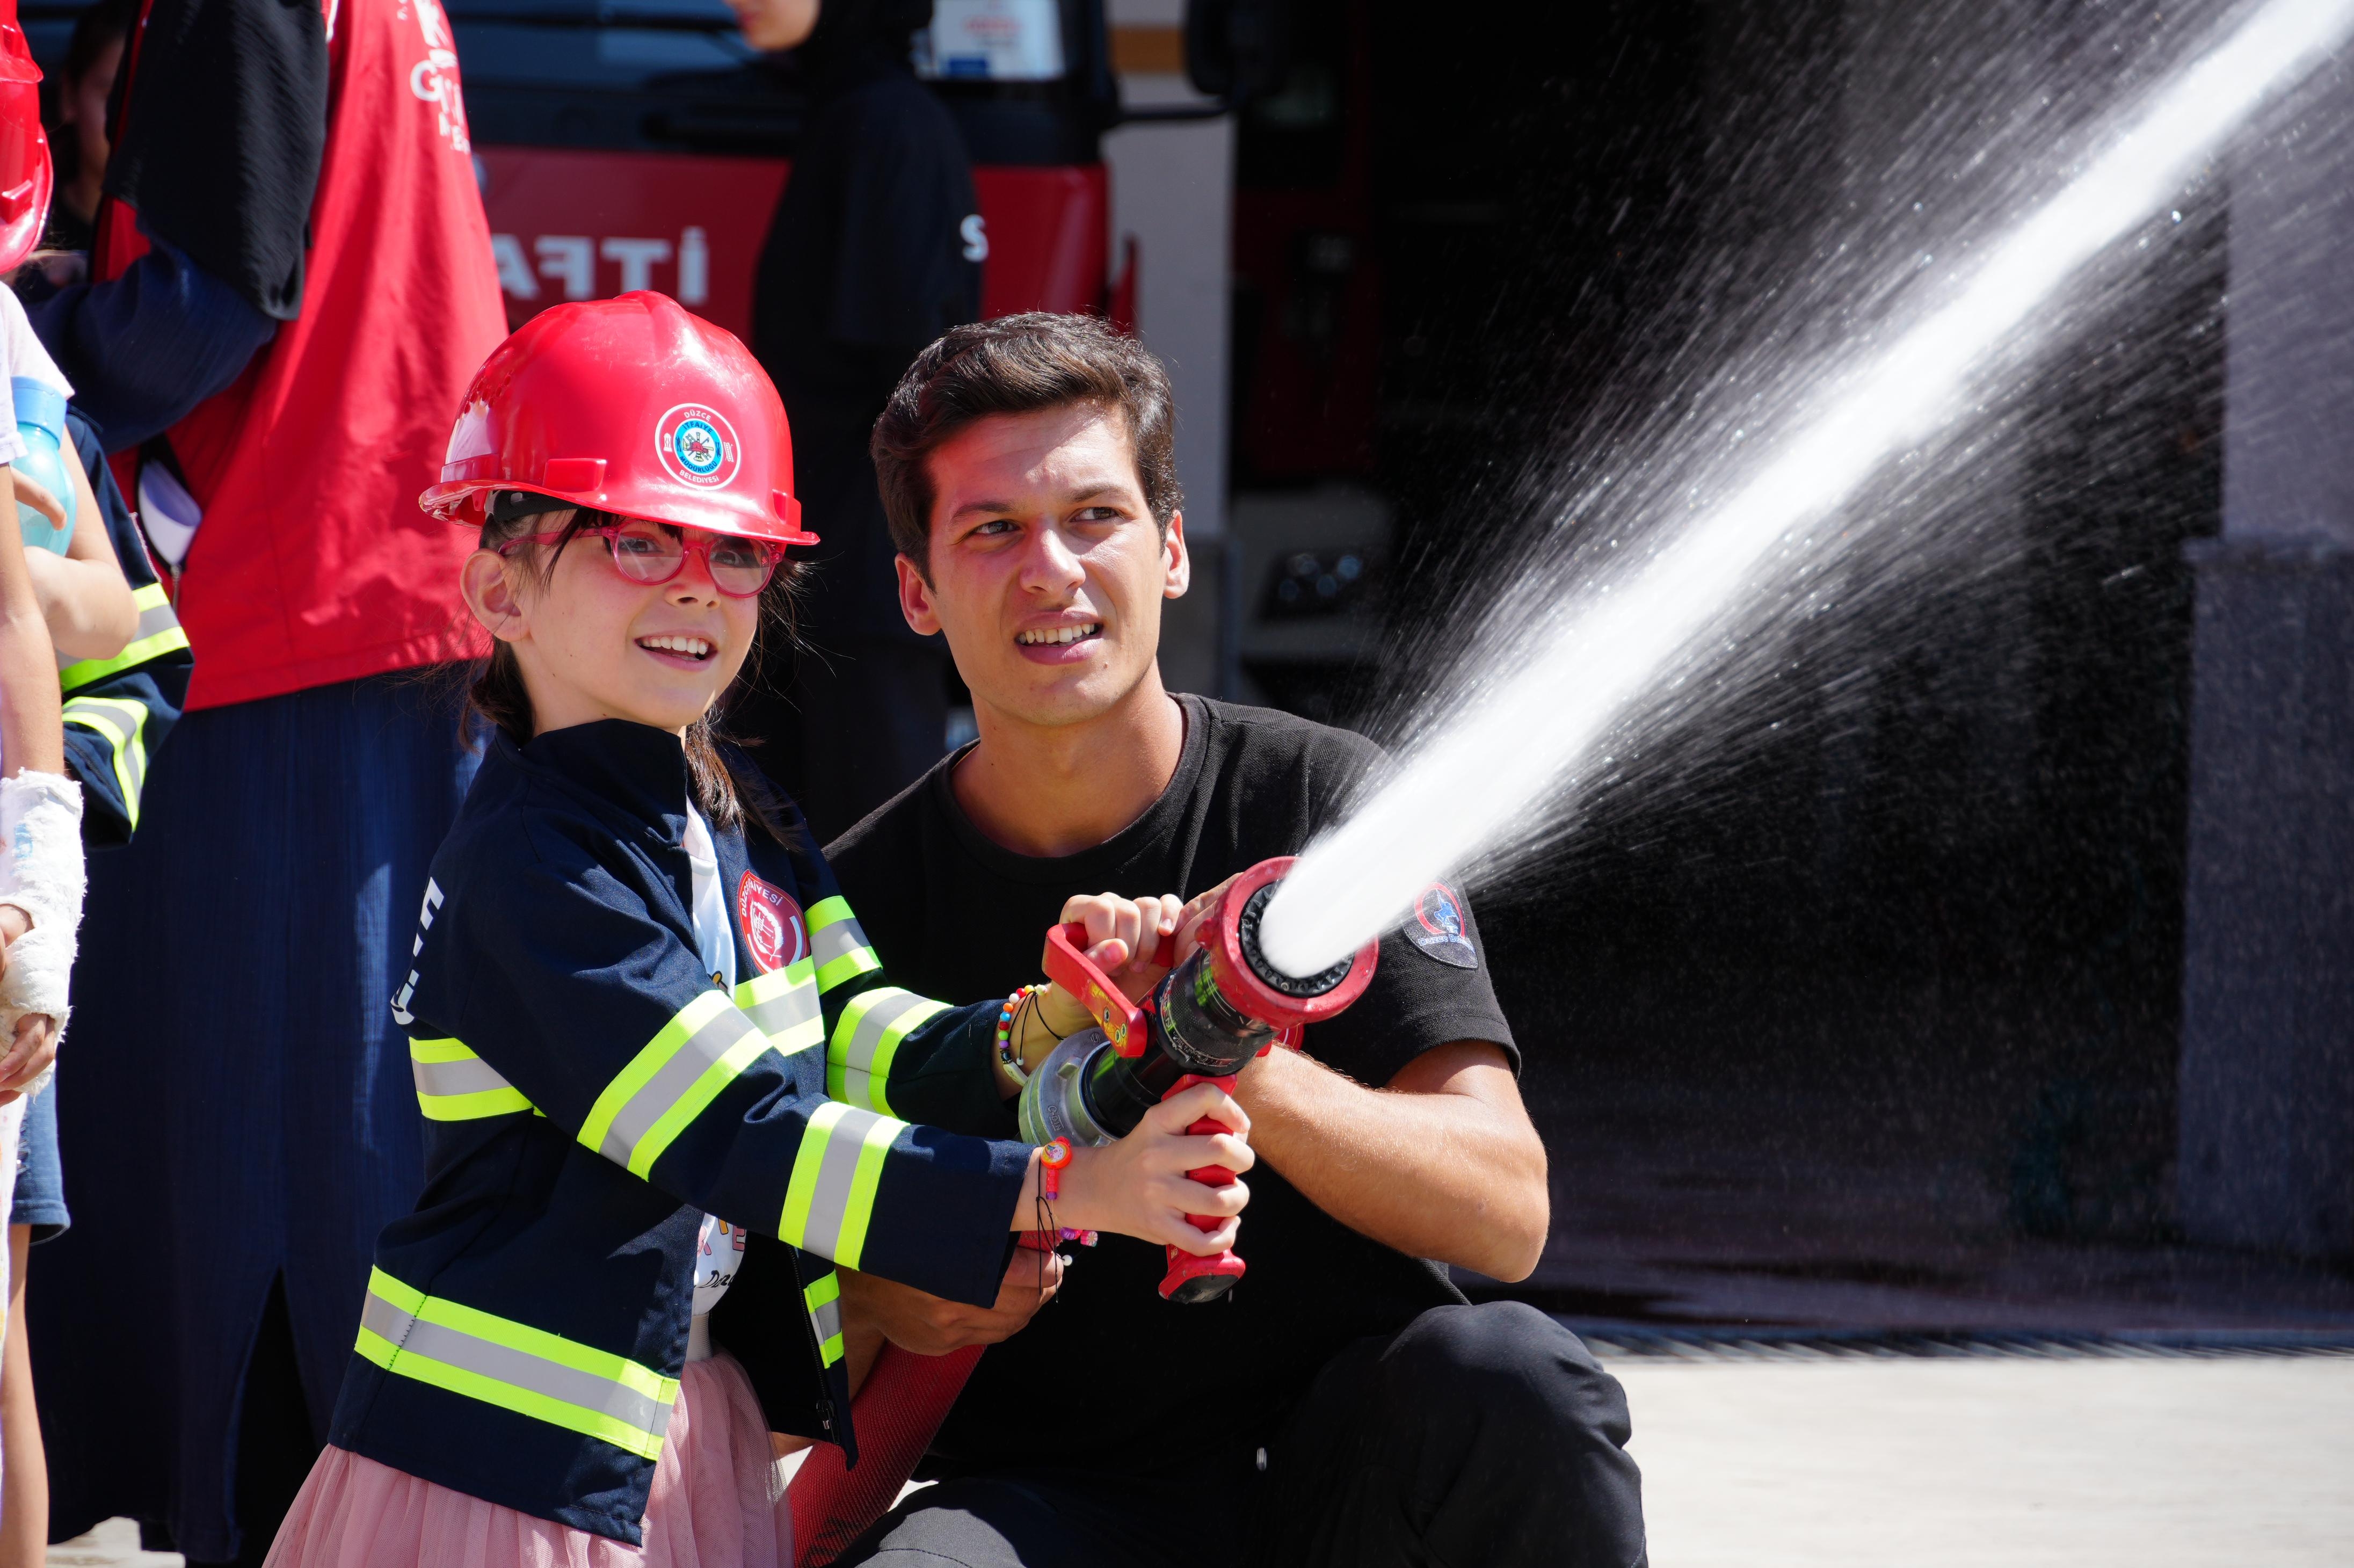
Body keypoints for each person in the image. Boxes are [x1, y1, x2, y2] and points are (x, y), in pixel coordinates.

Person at [263, 291, 1253, 1567]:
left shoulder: (730, 808)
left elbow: (853, 1033)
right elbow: (736, 1130)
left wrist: (1043, 1021)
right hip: (501, 1475)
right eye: (636, 539)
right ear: (498, 586)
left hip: (661, 1436)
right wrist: (1067, 1189)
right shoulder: (529, 869)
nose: (698, 585)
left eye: (734, 552)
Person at [816, 313, 1650, 1567]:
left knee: (1511, 1382)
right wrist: (903, 1294)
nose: (1051, 569)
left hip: (1349, 1483)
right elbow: (784, 1345)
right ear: (915, 592)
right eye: (992, 529)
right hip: (1057, 1505)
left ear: (1168, 552)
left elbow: (1504, 1210)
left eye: (1094, 516)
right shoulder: (852, 910)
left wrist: (1225, 1038)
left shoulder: (1328, 810)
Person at [20, 0, 507, 1558]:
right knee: (350, 1132)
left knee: (260, 1171)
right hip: (377, 586)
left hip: (289, 600)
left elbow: (212, 297)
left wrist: (35, 345)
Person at [732, 0, 985, 843]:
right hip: (818, 580)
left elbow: (918, 379)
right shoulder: (851, 116)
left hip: (865, 588)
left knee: (874, 874)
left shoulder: (888, 126)